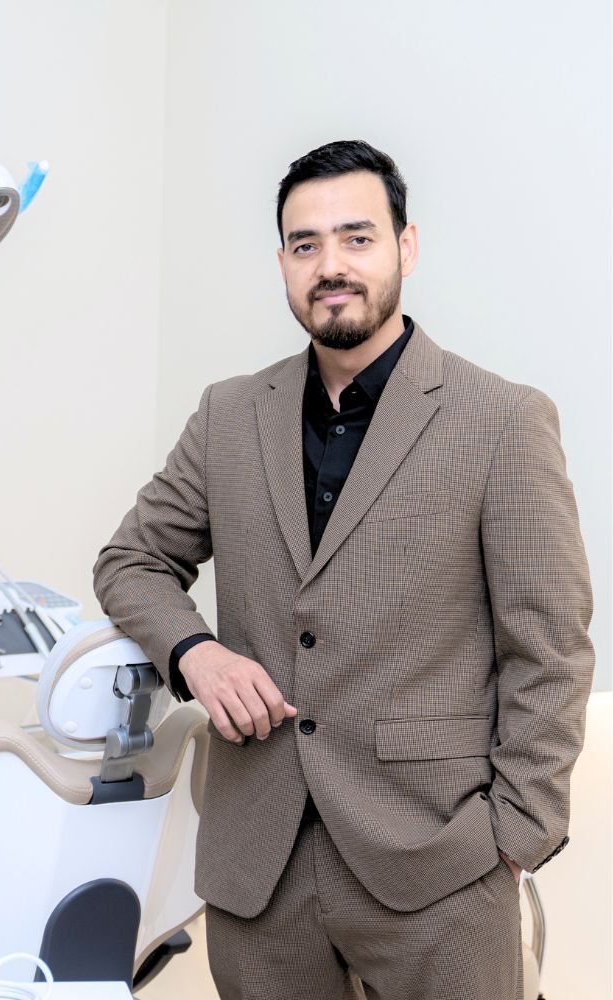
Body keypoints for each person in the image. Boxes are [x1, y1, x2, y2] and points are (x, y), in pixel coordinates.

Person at [93, 140, 594, 1000]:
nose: (332, 265)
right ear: (283, 263)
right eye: (305, 244)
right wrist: (196, 654)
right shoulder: (229, 415)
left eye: (358, 238)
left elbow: (550, 650)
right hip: (260, 871)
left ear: (406, 246)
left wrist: (516, 835)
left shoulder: (502, 419)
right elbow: (131, 561)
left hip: (440, 870)